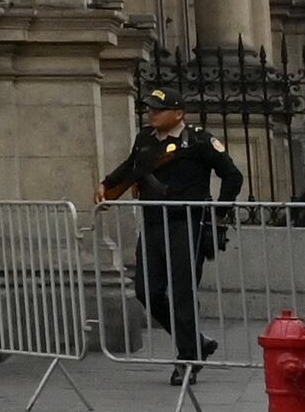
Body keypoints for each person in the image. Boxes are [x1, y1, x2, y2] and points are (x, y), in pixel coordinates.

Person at [101, 92, 245, 365]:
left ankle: (188, 358)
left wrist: (219, 213)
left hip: (186, 225)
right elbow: (132, 166)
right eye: (150, 109)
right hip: (154, 223)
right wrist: (106, 184)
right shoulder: (145, 139)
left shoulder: (200, 140)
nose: (151, 114)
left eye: (159, 109)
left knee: (182, 291)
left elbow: (232, 175)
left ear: (179, 114)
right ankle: (195, 342)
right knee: (147, 290)